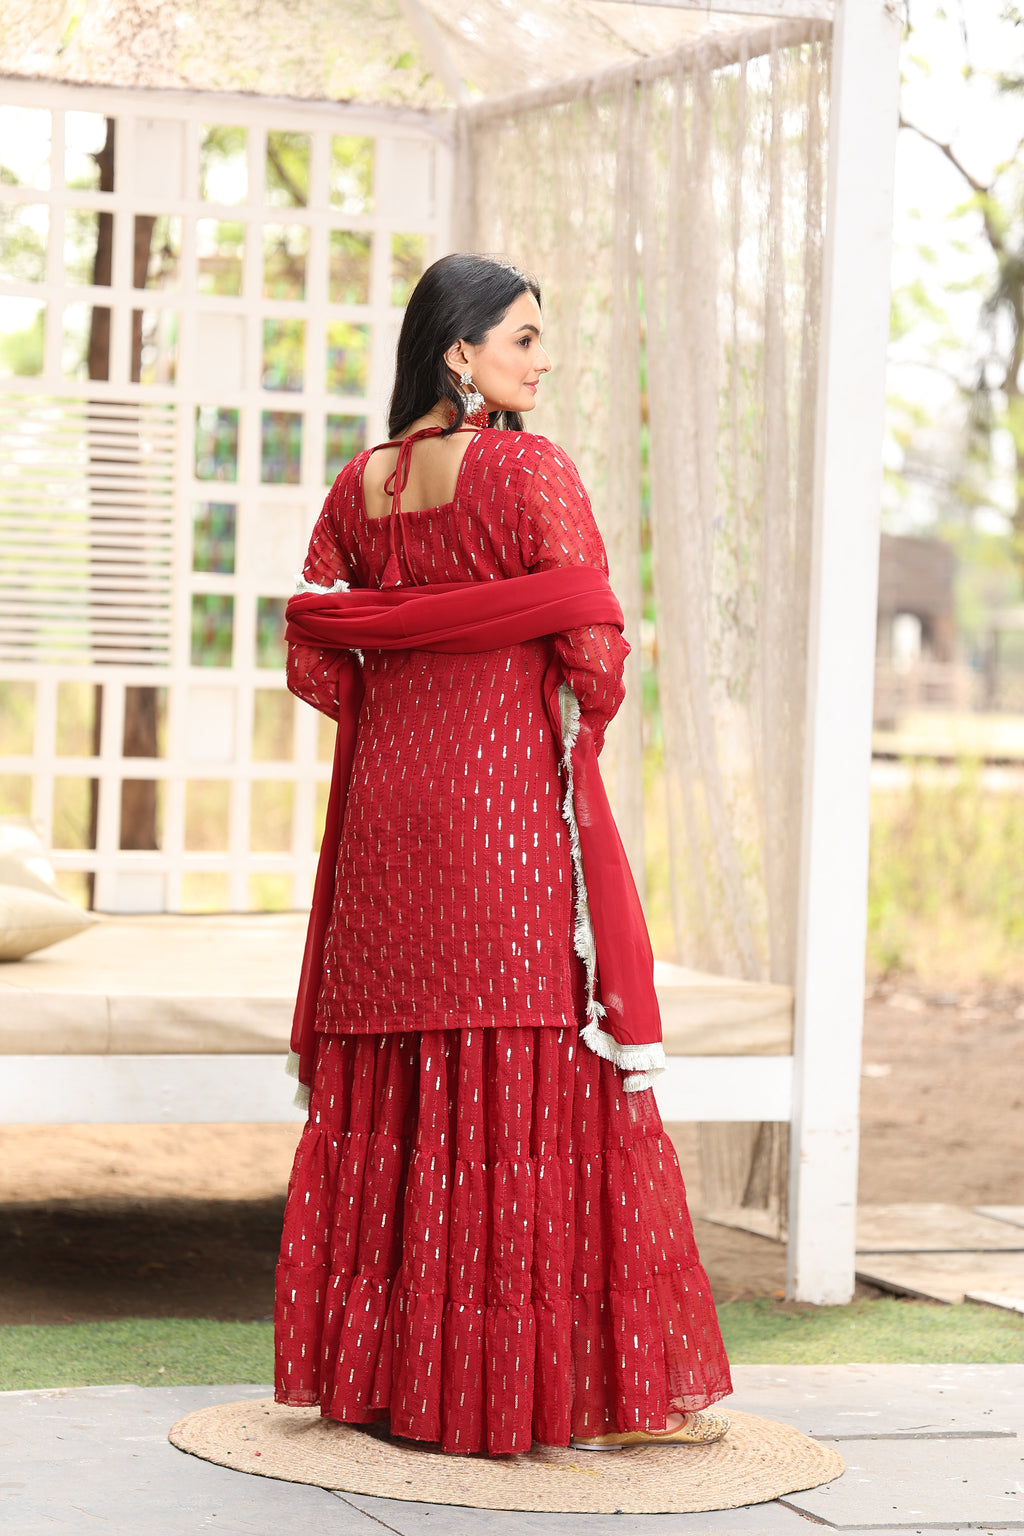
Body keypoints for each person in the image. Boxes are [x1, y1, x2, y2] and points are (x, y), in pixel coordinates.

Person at [273, 252, 732, 1457]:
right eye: (523, 338)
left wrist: (412, 687)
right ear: (457, 353)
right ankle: (521, 1396)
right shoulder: (529, 472)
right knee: (519, 1065)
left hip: (388, 822)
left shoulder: (359, 484)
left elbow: (319, 651)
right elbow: (594, 654)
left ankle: (385, 1388)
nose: (544, 359)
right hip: (502, 819)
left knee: (405, 1075)